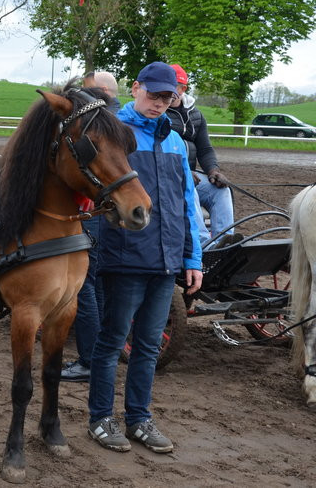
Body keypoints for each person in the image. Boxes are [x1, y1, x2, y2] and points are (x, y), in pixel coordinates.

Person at [87, 61, 202, 454]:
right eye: (153, 95)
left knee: (149, 345)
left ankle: (138, 418)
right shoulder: (113, 133)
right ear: (135, 88)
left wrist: (193, 258)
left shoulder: (176, 142)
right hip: (125, 257)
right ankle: (101, 418)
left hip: (166, 262)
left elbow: (187, 203)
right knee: (112, 342)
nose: (159, 103)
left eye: (167, 98)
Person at [60, 71, 118, 382]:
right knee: (96, 285)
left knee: (85, 287)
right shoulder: (111, 119)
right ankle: (100, 355)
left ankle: (89, 360)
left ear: (103, 92)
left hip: (92, 211)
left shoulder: (102, 122)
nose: (82, 98)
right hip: (105, 212)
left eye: (88, 91)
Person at [167, 64, 235, 247]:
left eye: (173, 86)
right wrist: (182, 171)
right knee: (189, 187)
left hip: (192, 175)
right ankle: (205, 245)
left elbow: (205, 149)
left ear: (183, 89)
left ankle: (225, 243)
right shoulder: (158, 113)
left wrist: (213, 170)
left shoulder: (196, 115)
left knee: (221, 190)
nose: (168, 90)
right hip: (170, 175)